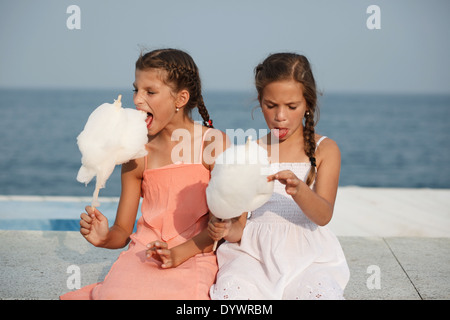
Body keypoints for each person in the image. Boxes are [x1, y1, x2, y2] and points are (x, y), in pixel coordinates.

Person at [61, 48, 228, 300]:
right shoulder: (137, 152)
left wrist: (178, 254)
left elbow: (219, 228)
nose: (138, 100)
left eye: (150, 92)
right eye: (136, 90)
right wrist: (105, 237)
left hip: (194, 254)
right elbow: (122, 230)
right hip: (144, 254)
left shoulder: (212, 144)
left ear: (180, 99)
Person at [208, 52, 350, 300]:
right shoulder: (251, 152)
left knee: (318, 293)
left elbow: (323, 215)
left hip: (309, 255)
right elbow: (240, 226)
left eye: (291, 106)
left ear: (308, 104)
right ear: (260, 102)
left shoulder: (326, 149)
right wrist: (226, 229)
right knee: (234, 291)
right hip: (255, 253)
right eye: (270, 105)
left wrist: (300, 191)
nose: (280, 116)